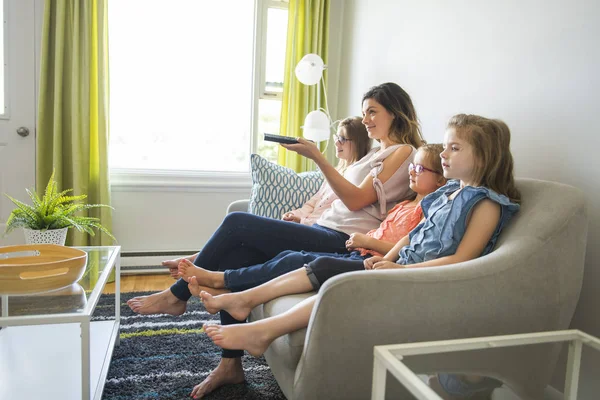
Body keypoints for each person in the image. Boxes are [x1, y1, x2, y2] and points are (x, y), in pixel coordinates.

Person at [128, 82, 425, 399]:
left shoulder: (404, 152)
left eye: (373, 112)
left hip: (341, 240)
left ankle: (177, 295)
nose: (365, 119)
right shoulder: (376, 153)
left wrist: (317, 157)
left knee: (237, 221)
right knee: (237, 253)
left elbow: (356, 201)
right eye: (364, 112)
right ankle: (230, 366)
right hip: (324, 229)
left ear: (395, 113)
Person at [198, 114, 521, 365]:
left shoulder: (486, 204)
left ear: (482, 156)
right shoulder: (449, 192)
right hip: (399, 268)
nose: (445, 154)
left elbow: (462, 260)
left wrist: (401, 271)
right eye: (446, 146)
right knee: (322, 265)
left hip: (425, 280)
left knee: (338, 285)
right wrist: (390, 259)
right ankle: (249, 309)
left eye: (455, 148)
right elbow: (412, 235)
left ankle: (260, 327)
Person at [177, 143, 446, 293]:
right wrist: (303, 218)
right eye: (412, 167)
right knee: (246, 250)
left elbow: (404, 244)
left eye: (420, 168)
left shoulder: (423, 198)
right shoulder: (400, 197)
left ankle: (200, 285)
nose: (412, 171)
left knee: (239, 223)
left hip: (351, 245)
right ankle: (229, 360)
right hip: (344, 239)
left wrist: (369, 242)